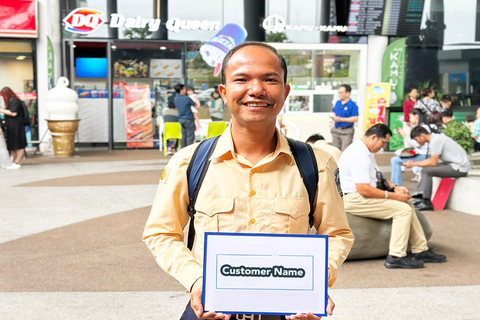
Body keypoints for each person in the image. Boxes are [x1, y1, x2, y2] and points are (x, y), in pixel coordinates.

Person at [143, 42, 354, 320]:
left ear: (285, 92)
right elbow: (161, 232)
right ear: (224, 92)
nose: (256, 90)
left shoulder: (317, 164)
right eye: (241, 79)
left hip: (290, 311)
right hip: (210, 309)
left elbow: (337, 233)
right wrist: (195, 279)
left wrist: (313, 279)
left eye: (270, 79)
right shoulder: (188, 162)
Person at [337, 123, 446, 269]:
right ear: (374, 137)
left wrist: (395, 187)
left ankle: (420, 250)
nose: (382, 147)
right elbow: (364, 189)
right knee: (402, 210)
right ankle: (396, 256)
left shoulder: (365, 150)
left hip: (358, 195)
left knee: (408, 205)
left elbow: (378, 176)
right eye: (383, 143)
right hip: (352, 198)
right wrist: (393, 196)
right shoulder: (359, 155)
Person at [404, 126, 471, 210]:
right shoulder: (435, 138)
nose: (416, 142)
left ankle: (425, 201)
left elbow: (432, 162)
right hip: (453, 165)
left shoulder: (436, 140)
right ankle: (420, 198)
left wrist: (413, 164)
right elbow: (432, 161)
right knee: (425, 169)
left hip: (459, 168)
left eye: (416, 139)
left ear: (422, 135)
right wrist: (414, 164)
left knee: (426, 171)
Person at [390, 109, 429, 185]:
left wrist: (403, 135)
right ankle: (395, 185)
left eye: (410, 117)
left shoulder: (422, 128)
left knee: (395, 160)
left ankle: (396, 186)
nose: (409, 119)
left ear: (416, 116)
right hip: (422, 154)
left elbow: (417, 144)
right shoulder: (422, 126)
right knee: (395, 159)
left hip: (424, 155)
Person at [0, 87, 27, 166]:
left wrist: (1, 110)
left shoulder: (13, 101)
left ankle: (17, 161)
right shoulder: (13, 100)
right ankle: (13, 160)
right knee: (12, 144)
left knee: (17, 144)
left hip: (16, 126)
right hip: (12, 126)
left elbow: (13, 113)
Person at [330, 84, 358, 151]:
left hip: (347, 131)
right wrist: (332, 125)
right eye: (339, 92)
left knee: (345, 151)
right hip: (336, 130)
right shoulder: (337, 103)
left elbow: (355, 118)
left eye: (342, 92)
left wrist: (341, 119)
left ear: (348, 93)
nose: (340, 94)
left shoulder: (353, 105)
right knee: (335, 151)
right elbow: (334, 113)